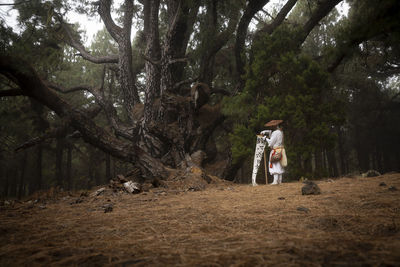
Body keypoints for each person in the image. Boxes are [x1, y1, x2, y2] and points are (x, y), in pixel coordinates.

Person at [260, 120, 287, 185]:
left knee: (274, 165)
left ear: (274, 126)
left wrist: (265, 138)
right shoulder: (280, 132)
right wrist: (266, 132)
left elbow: (271, 142)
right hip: (280, 150)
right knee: (280, 165)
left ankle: (275, 181)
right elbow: (271, 133)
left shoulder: (275, 133)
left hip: (275, 150)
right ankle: (280, 181)